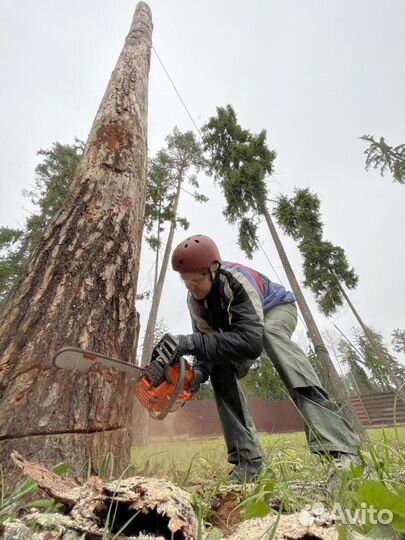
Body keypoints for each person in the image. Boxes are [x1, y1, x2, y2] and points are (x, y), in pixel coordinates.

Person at [154, 234, 360, 482]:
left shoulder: (237, 282)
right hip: (239, 331)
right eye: (186, 283)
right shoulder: (195, 303)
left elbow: (251, 343)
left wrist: (188, 342)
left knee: (270, 334)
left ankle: (341, 449)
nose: (192, 288)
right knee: (218, 362)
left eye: (196, 281)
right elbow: (206, 346)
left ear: (213, 269)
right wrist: (197, 375)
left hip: (276, 310)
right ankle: (247, 462)